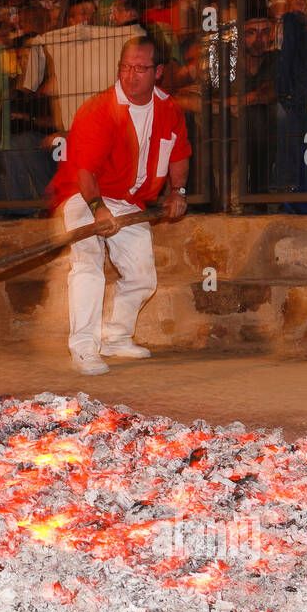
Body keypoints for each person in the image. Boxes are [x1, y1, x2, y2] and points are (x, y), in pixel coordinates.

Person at [47, 35, 191, 376]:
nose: (131, 75)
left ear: (158, 71)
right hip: (84, 194)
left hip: (128, 200)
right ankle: (84, 346)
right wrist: (98, 209)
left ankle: (115, 335)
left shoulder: (169, 110)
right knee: (87, 263)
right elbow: (85, 172)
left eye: (140, 68)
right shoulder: (99, 109)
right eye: (126, 67)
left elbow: (180, 154)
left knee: (143, 277)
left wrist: (177, 192)